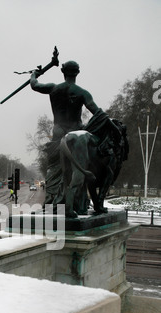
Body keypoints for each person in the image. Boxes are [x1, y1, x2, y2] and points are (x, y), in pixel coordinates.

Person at [30, 60, 116, 206]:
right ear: (77, 73)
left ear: (63, 72)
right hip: (75, 131)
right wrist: (111, 125)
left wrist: (34, 74)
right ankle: (77, 202)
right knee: (77, 167)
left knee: (55, 167)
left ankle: (51, 199)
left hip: (58, 130)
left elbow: (35, 85)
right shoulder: (82, 93)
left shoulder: (53, 88)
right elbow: (98, 113)